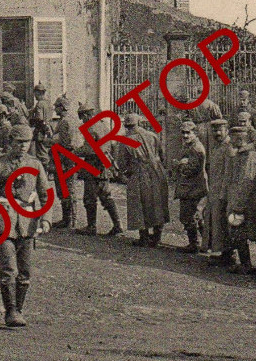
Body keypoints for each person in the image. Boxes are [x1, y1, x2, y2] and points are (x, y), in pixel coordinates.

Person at [0, 125, 51, 328]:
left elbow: (46, 194)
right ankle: (10, 311)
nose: (23, 146)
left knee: (25, 271)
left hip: (27, 223)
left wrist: (45, 219)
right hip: (4, 221)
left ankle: (19, 308)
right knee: (9, 268)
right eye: (18, 142)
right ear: (10, 142)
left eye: (26, 142)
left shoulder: (35, 165)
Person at [117, 113, 171, 247]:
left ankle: (144, 237)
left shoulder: (125, 140)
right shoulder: (152, 135)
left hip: (139, 172)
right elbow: (162, 155)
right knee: (157, 202)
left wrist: (125, 173)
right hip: (157, 170)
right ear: (139, 123)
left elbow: (122, 163)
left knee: (140, 203)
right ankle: (157, 237)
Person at [227, 125, 256, 275]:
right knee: (250, 234)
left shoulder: (249, 156)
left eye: (234, 138)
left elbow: (246, 182)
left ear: (240, 139)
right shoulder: (241, 155)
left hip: (252, 201)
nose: (232, 141)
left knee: (246, 233)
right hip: (251, 200)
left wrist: (239, 205)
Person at [75, 102, 123, 236]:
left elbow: (89, 149)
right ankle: (118, 225)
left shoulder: (91, 128)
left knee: (89, 197)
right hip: (104, 164)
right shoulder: (103, 125)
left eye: (82, 117)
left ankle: (91, 227)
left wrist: (75, 151)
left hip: (94, 165)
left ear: (86, 115)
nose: (81, 120)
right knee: (106, 196)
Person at [171, 121, 207, 253]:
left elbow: (191, 169)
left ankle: (196, 244)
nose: (185, 136)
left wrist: (178, 165)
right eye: (183, 133)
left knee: (189, 216)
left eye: (188, 133)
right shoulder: (189, 146)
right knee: (195, 217)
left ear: (195, 133)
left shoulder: (195, 148)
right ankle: (204, 243)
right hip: (190, 187)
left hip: (193, 187)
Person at [203, 119, 235, 264]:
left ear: (226, 130)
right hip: (214, 189)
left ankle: (228, 255)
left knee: (223, 223)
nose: (217, 133)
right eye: (214, 130)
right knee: (216, 222)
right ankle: (223, 252)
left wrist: (223, 193)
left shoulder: (229, 147)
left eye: (220, 130)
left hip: (223, 191)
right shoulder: (216, 146)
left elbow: (228, 172)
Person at [51, 95, 83, 230]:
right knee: (68, 188)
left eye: (57, 106)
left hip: (65, 157)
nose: (54, 108)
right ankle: (69, 219)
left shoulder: (65, 122)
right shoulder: (74, 120)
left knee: (66, 188)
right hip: (72, 156)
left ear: (62, 107)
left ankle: (69, 219)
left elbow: (65, 142)